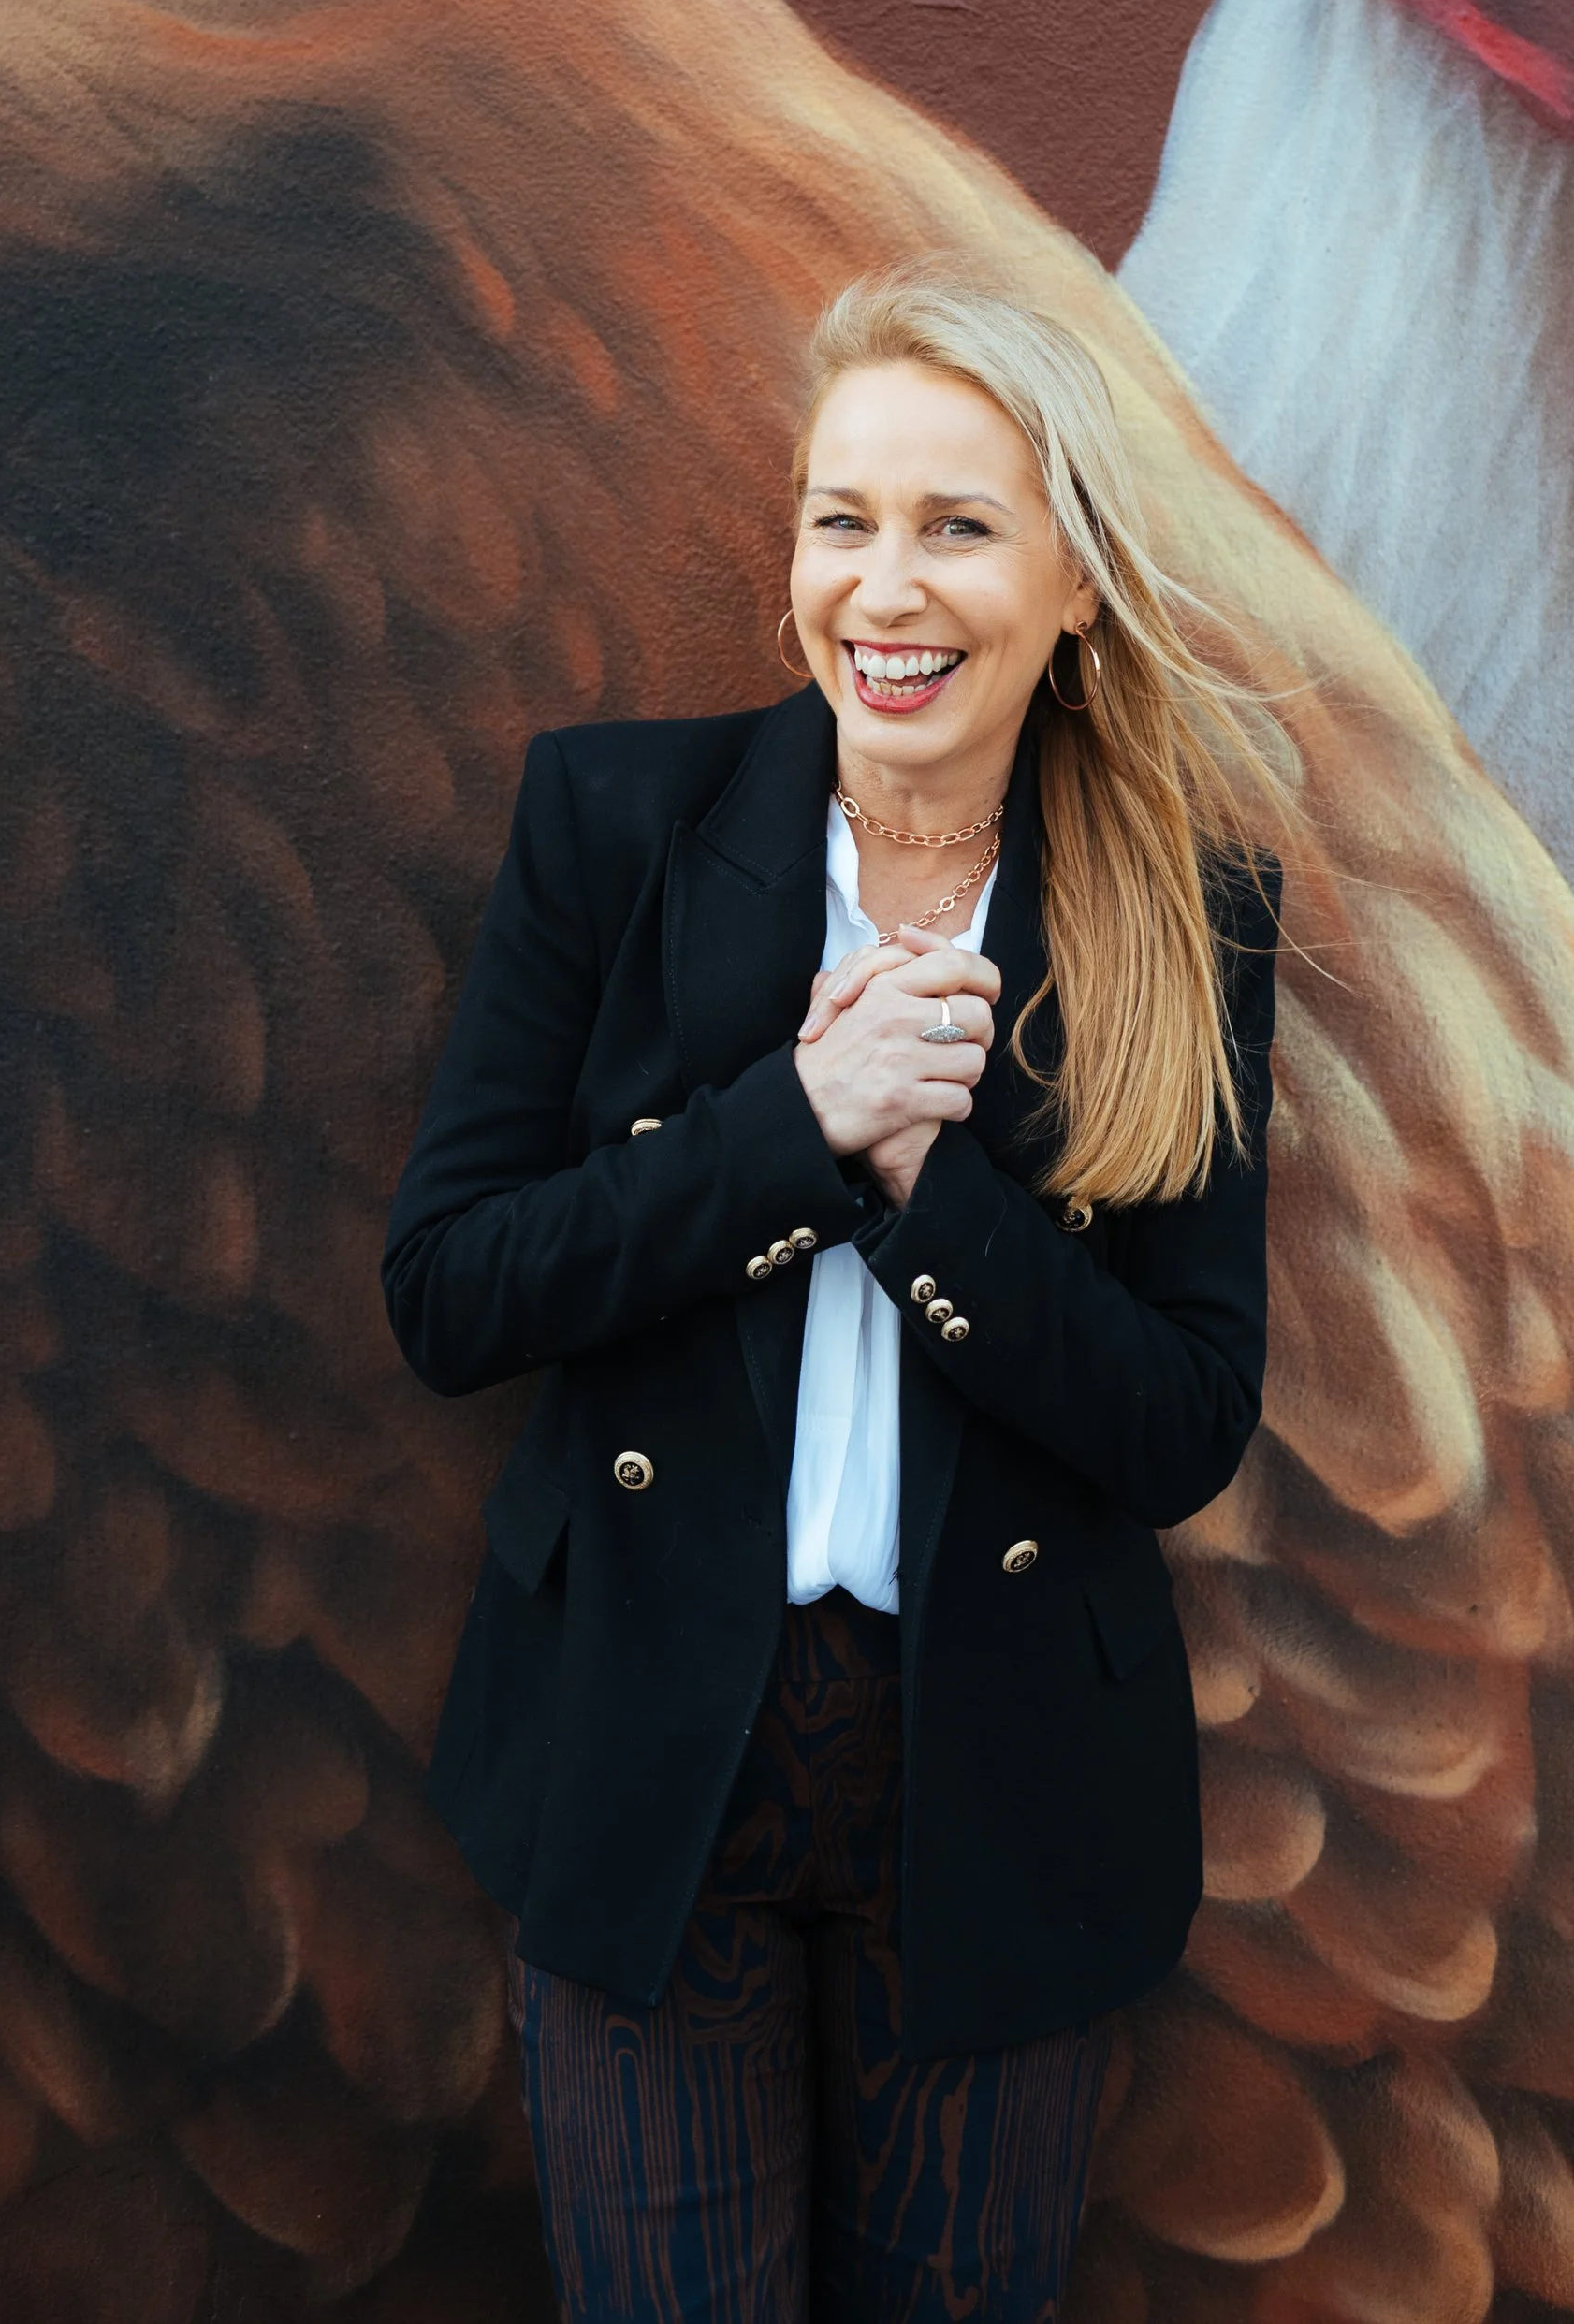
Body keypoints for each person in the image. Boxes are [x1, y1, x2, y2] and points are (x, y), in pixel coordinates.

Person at [382, 269, 1285, 2324]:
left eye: (957, 526)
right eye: (840, 517)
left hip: (996, 1775)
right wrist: (787, 1129)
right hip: (646, 1735)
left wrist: (921, 1191)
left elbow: (1179, 1421)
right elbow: (448, 1291)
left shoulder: (1182, 909)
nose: (882, 586)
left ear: (1074, 583)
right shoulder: (614, 829)